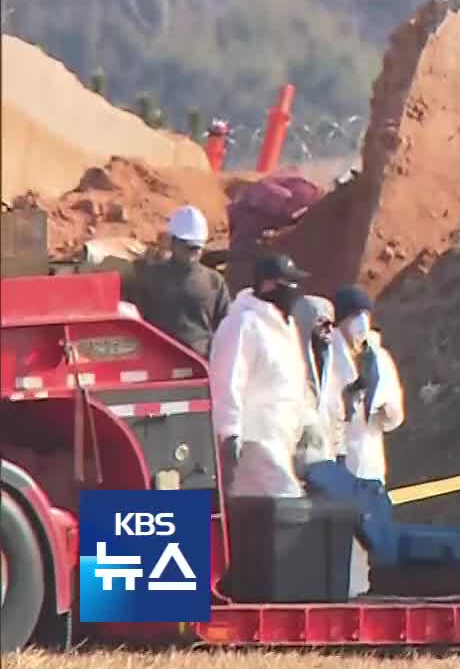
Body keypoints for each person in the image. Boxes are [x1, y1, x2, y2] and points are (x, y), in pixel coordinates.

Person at [208, 253, 321, 499]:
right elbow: (227, 380)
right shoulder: (242, 324)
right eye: (289, 283)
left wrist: (308, 419)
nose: (295, 291)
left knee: (270, 521)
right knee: (285, 507)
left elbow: (295, 379)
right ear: (268, 285)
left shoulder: (284, 326)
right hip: (255, 441)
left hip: (282, 439)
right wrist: (229, 432)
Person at [320, 287, 404, 484]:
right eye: (355, 314)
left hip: (371, 464)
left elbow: (394, 410)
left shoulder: (379, 358)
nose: (362, 321)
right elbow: (325, 408)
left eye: (366, 314)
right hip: (337, 462)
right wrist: (348, 400)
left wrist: (389, 412)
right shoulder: (327, 356)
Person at [127, 205, 231, 358]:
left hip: (201, 366)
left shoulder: (215, 282)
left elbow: (226, 328)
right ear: (173, 243)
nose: (191, 253)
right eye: (186, 246)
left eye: (195, 248)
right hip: (160, 363)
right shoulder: (151, 277)